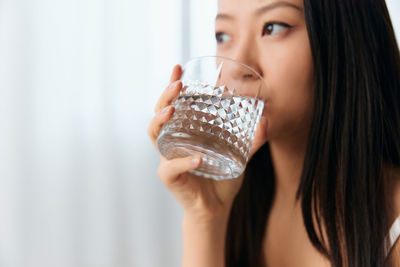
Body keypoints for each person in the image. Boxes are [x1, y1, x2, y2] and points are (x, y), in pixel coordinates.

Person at [148, 0, 400, 266]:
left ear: (344, 38)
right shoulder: (234, 199)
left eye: (273, 27)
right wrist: (205, 218)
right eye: (223, 35)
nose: (236, 65)